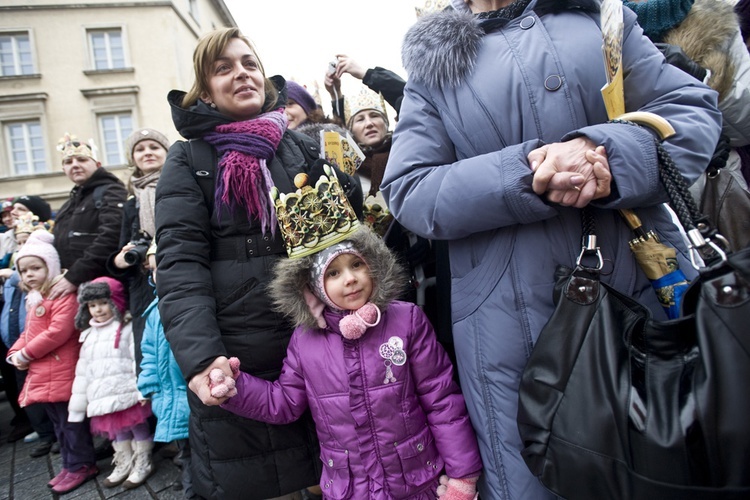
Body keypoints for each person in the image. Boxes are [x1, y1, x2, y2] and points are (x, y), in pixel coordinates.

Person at [380, 1, 722, 498]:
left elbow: (690, 111)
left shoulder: (601, 19)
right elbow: (410, 189)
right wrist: (528, 174)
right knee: (543, 474)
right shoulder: (434, 64)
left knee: (675, 457)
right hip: (509, 320)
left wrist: (605, 154)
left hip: (642, 280)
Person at [155, 27, 362, 500]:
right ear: (205, 89)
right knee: (266, 484)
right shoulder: (189, 160)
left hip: (321, 342)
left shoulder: (301, 147)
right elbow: (180, 268)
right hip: (243, 361)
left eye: (249, 63)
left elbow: (344, 238)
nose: (241, 74)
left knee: (339, 477)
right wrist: (202, 358)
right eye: (223, 68)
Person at [217, 169, 482, 498]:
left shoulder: (406, 320)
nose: (350, 279)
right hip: (350, 487)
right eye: (334, 273)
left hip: (416, 479)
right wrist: (236, 389)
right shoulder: (305, 340)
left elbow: (441, 400)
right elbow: (284, 402)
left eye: (356, 265)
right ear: (314, 286)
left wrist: (462, 476)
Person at [622, 0, 750, 251]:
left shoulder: (713, 16)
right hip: (631, 213)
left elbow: (746, 124)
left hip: (714, 203)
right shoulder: (581, 27)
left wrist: (703, 83)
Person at [6, 230, 98, 495]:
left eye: (36, 268)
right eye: (24, 271)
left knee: (72, 423)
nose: (29, 275)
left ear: (51, 266)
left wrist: (26, 354)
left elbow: (57, 332)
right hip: (44, 372)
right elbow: (28, 333)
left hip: (63, 371)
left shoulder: (61, 296)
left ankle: (82, 464)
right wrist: (15, 353)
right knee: (59, 423)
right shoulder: (35, 299)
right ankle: (69, 464)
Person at [68, 276, 154, 489]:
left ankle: (143, 461)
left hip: (127, 391)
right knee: (117, 431)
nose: (98, 310)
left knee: (137, 428)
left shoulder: (125, 327)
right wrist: (77, 408)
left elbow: (138, 358)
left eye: (103, 303)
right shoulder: (88, 335)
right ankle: (124, 462)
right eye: (92, 305)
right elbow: (83, 372)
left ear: (115, 301)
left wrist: (143, 389)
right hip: (103, 396)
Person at [108, 128, 171, 372]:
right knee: (150, 354)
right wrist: (122, 258)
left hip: (178, 274)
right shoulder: (131, 201)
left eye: (154, 147)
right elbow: (120, 251)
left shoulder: (183, 185)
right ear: (132, 158)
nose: (147, 153)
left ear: (166, 152)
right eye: (140, 149)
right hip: (143, 287)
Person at [138, 242, 194, 499]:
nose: (157, 274)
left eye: (163, 266)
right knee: (184, 447)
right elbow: (148, 351)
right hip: (168, 394)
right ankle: (188, 478)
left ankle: (193, 485)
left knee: (199, 446)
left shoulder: (193, 302)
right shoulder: (153, 311)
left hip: (189, 393)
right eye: (152, 270)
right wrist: (147, 384)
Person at [0, 214, 57, 455]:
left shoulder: (46, 290)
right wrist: (15, 351)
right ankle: (44, 432)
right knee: (28, 394)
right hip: (21, 349)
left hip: (41, 353)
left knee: (52, 398)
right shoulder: (23, 286)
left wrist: (25, 350)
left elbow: (52, 330)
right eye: (20, 243)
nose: (24, 248)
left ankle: (57, 436)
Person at [48, 134, 127, 300]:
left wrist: (74, 277)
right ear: (64, 170)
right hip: (75, 288)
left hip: (104, 290)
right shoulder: (68, 205)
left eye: (82, 160)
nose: (75, 165)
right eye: (69, 162)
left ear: (97, 164)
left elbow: (111, 237)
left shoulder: (111, 191)